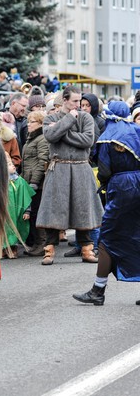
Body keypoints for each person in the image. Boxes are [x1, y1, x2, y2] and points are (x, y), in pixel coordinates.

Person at [73, 101, 140, 305]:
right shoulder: (137, 131)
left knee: (107, 239)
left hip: (121, 187)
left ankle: (98, 290)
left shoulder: (106, 138)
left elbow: (104, 172)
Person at [37, 86, 103, 265]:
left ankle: (87, 249)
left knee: (83, 210)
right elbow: (50, 136)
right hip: (59, 168)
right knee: (54, 211)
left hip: (81, 168)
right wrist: (66, 121)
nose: (78, 104)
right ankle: (49, 251)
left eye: (80, 101)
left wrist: (61, 131)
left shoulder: (86, 117)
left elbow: (88, 140)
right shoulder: (50, 118)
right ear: (64, 100)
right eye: (74, 101)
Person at [22, 111, 50, 257]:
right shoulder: (31, 138)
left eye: (32, 121)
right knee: (32, 213)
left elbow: (42, 162)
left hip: (37, 183)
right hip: (28, 181)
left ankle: (42, 243)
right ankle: (37, 243)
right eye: (28, 121)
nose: (28, 124)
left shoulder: (42, 139)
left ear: (40, 123)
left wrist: (34, 181)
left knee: (37, 213)